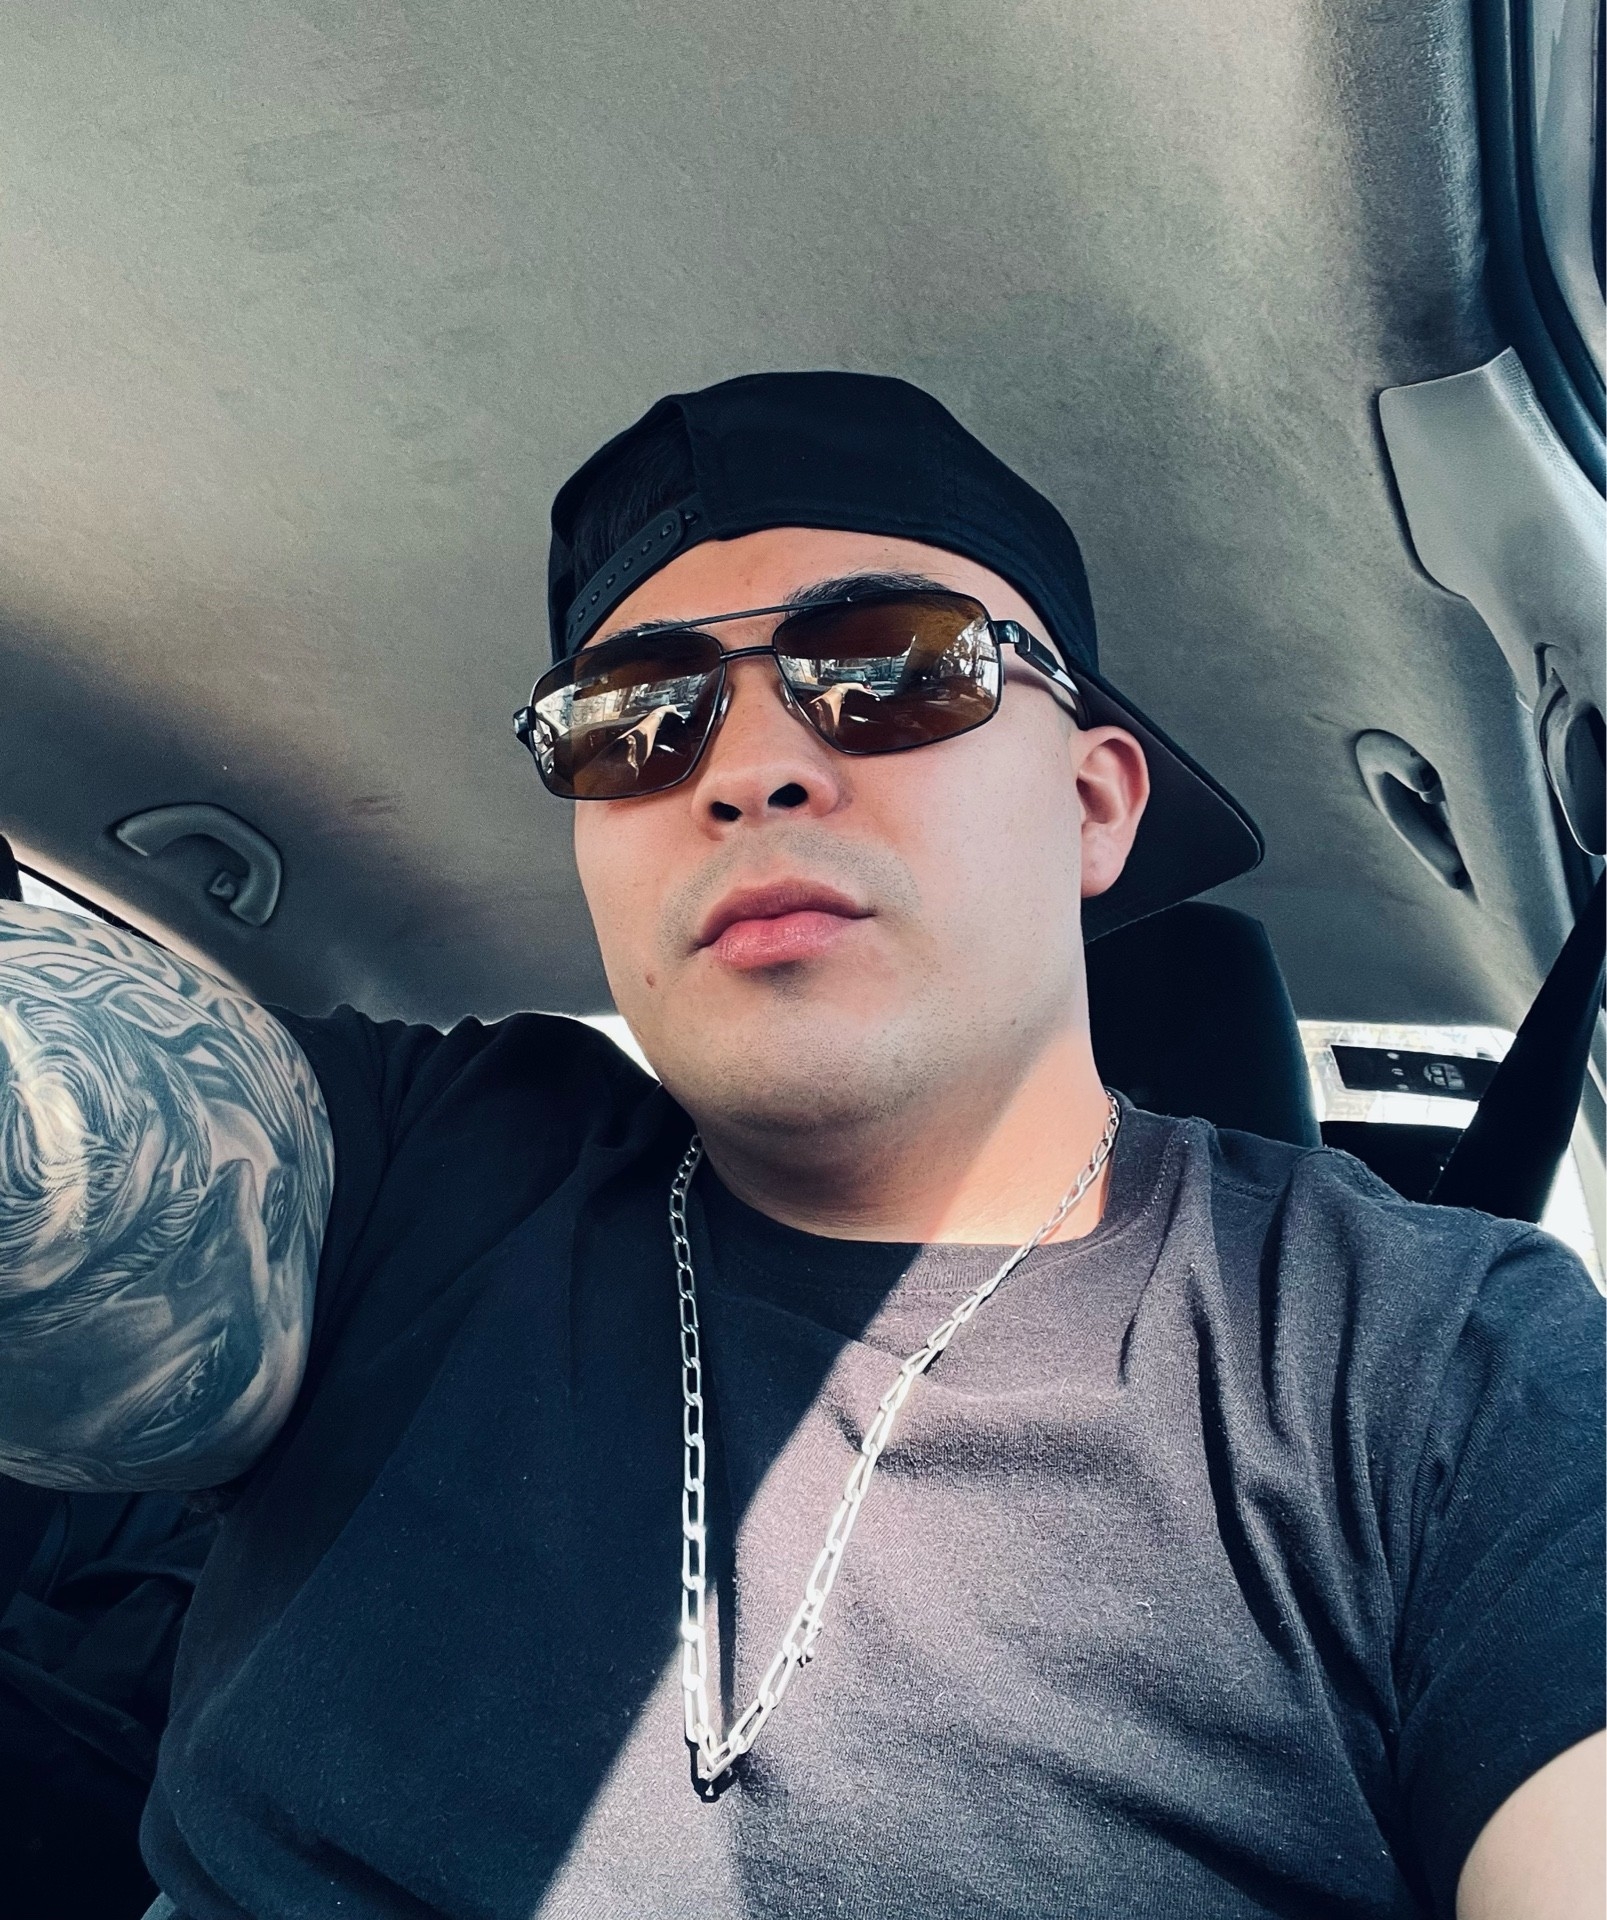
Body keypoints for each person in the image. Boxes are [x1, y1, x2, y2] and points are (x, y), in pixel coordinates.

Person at [0, 371, 1600, 1920]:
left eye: (895, 665)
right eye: (636, 716)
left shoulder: (1434, 1368)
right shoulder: (430, 1163)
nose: (750, 771)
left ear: (1096, 801)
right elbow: (67, 1134)